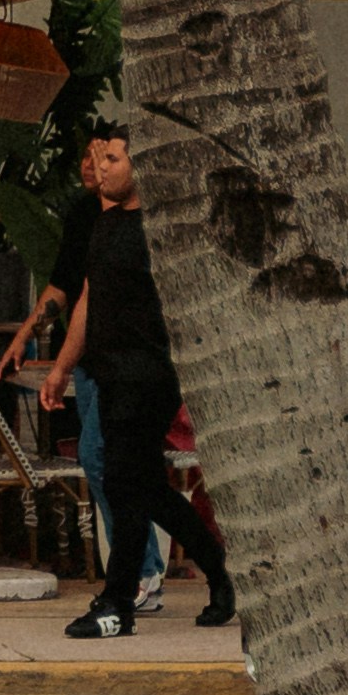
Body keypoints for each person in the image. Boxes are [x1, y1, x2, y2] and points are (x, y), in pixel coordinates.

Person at [41, 123, 234, 639]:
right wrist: (61, 368)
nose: (101, 168)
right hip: (107, 375)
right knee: (146, 486)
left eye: (113, 160)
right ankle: (218, 570)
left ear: (140, 167)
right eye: (100, 158)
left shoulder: (162, 230)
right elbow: (88, 299)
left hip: (148, 376)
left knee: (123, 485)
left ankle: (116, 603)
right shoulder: (103, 225)